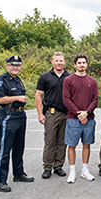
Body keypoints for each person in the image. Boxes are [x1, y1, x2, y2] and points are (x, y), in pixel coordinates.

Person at [0, 55, 34, 192]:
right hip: (8, 116)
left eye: (17, 65)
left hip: (20, 115)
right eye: (12, 65)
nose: (15, 68)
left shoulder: (17, 80)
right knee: (5, 149)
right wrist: (17, 97)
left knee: (19, 147)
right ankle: (0, 181)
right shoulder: (1, 80)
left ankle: (18, 173)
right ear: (7, 66)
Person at [62, 54, 98, 183]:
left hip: (89, 119)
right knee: (71, 145)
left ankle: (85, 170)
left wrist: (87, 113)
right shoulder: (68, 80)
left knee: (86, 145)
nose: (81, 65)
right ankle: (72, 172)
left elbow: (95, 99)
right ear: (75, 65)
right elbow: (66, 99)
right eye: (79, 63)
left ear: (87, 64)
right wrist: (78, 113)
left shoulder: (92, 81)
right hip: (73, 118)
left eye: (83, 62)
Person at [35, 51, 70, 179]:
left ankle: (58, 166)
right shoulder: (45, 76)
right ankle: (47, 167)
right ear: (52, 62)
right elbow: (38, 95)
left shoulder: (69, 77)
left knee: (62, 142)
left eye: (61, 60)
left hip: (66, 114)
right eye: (56, 60)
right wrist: (40, 114)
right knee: (50, 141)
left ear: (64, 62)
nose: (59, 63)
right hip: (51, 113)